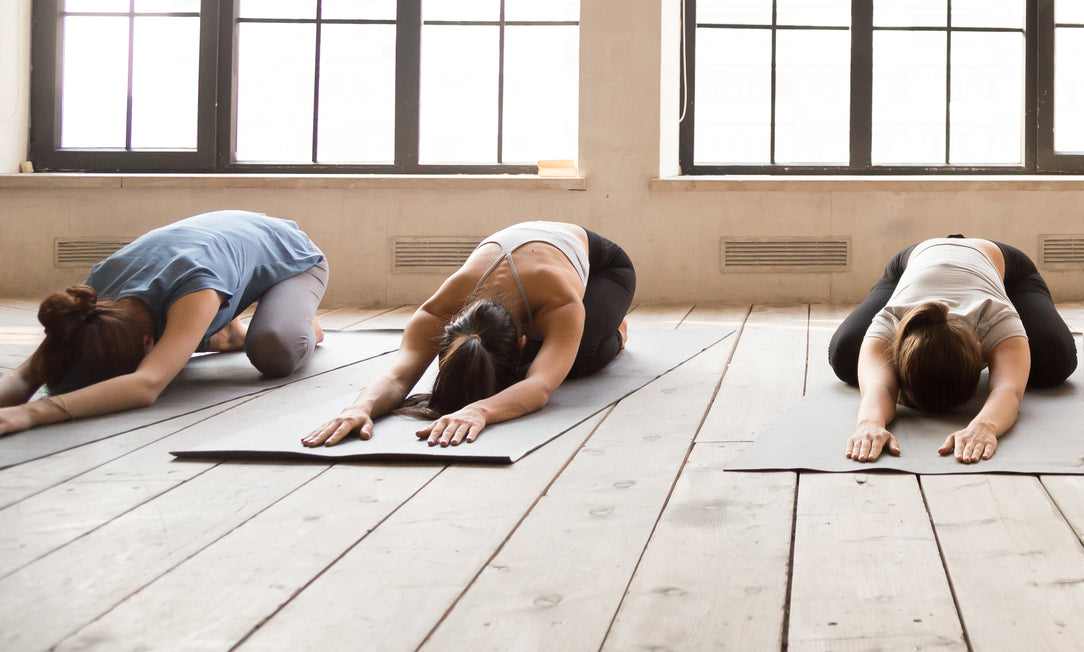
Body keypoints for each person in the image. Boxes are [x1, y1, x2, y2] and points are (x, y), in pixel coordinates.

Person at [302, 221, 635, 448]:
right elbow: (398, 375)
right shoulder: (438, 310)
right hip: (526, 255)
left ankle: (617, 328)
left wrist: (481, 410)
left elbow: (540, 386)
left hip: (604, 268)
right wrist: (359, 408)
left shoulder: (559, 301)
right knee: (521, 362)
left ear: (521, 342)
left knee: (575, 360)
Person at [0, 210, 329, 435]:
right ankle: (221, 330)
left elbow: (146, 385)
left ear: (147, 343)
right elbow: (26, 374)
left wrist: (32, 413)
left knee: (274, 349)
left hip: (293, 256)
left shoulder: (195, 287)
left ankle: (301, 324)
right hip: (213, 256)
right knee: (186, 330)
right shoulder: (93, 298)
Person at [828, 236, 1076, 464]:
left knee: (1055, 359)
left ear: (981, 349)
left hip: (1006, 268)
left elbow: (1009, 390)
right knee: (846, 355)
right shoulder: (893, 319)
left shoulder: (994, 316)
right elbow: (879, 387)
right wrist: (869, 423)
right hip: (916, 262)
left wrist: (986, 426)